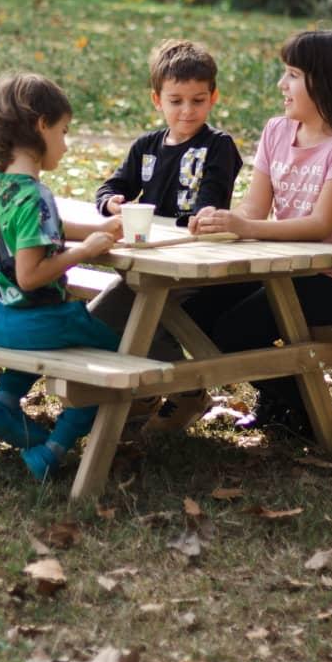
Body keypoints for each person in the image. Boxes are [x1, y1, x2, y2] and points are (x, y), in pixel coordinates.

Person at [185, 28, 332, 440]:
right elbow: (253, 209)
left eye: (293, 74)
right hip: (282, 269)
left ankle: (309, 406)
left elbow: (321, 225)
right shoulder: (277, 131)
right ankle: (282, 400)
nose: (282, 85)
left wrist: (247, 227)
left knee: (236, 331)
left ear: (327, 82)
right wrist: (222, 220)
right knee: (195, 312)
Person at [0, 72, 123, 482]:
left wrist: (99, 231)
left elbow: (34, 233)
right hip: (33, 320)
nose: (65, 142)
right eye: (63, 131)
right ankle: (53, 450)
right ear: (41, 125)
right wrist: (85, 252)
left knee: (53, 337)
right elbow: (30, 275)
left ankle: (2, 403)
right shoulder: (36, 195)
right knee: (120, 357)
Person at [92, 38, 242, 432]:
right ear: (157, 100)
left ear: (213, 98)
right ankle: (147, 390)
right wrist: (111, 203)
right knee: (102, 318)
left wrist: (202, 216)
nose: (187, 111)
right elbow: (111, 187)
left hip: (190, 260)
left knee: (150, 312)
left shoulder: (218, 146)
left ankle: (183, 388)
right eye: (176, 101)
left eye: (198, 100)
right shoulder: (146, 147)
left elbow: (209, 203)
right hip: (145, 257)